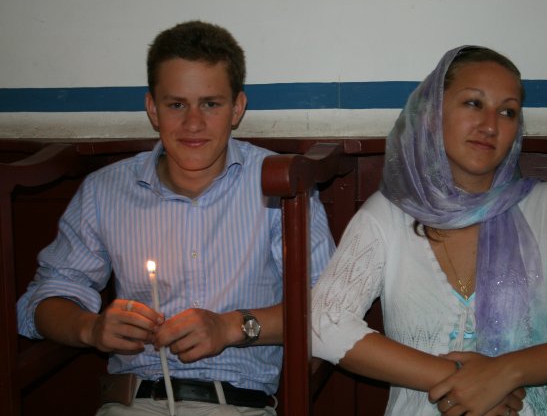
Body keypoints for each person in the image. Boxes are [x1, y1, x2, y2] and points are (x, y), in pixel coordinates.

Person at [17, 20, 335, 416]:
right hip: (134, 402)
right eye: (176, 105)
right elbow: (41, 302)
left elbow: (330, 307)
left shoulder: (280, 183)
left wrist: (230, 327)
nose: (193, 123)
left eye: (211, 104)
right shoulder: (105, 191)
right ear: (153, 109)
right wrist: (91, 328)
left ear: (237, 108)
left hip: (236, 405)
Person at [311, 45, 547, 416]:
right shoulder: (388, 214)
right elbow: (322, 324)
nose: (490, 125)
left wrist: (508, 371)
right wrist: (461, 380)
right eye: (474, 103)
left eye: (507, 111)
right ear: (432, 114)